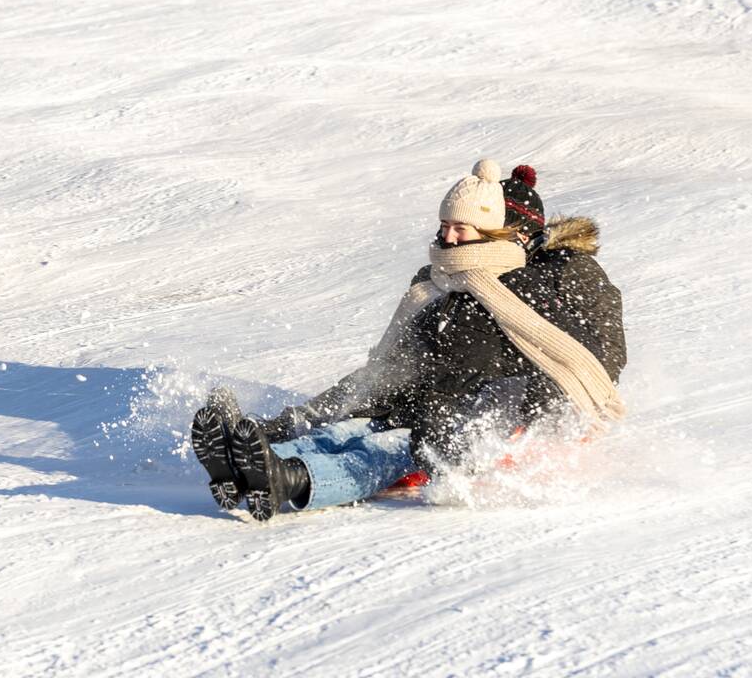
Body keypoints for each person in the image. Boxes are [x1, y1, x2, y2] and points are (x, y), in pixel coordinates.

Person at [190, 159, 626, 522]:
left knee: (387, 445)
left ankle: (293, 475)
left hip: (491, 421)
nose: (452, 237)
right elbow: (396, 363)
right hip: (428, 401)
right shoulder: (443, 280)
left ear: (514, 234)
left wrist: (529, 419)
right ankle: (257, 457)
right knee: (355, 426)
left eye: (470, 227)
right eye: (449, 225)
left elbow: (585, 359)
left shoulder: (539, 282)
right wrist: (301, 418)